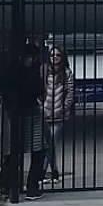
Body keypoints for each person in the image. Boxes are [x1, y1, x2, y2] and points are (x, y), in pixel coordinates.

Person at [0, 41, 48, 202]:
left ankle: (7, 186)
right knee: (35, 149)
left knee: (14, 151)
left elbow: (4, 88)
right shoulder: (29, 71)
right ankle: (30, 186)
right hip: (26, 111)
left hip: (15, 113)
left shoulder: (10, 70)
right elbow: (38, 89)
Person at [41, 44, 75, 181]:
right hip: (45, 113)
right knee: (47, 145)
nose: (55, 57)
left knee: (51, 143)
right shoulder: (44, 72)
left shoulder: (66, 73)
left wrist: (64, 107)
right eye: (52, 55)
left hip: (59, 115)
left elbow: (71, 93)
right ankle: (54, 171)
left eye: (58, 55)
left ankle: (41, 173)